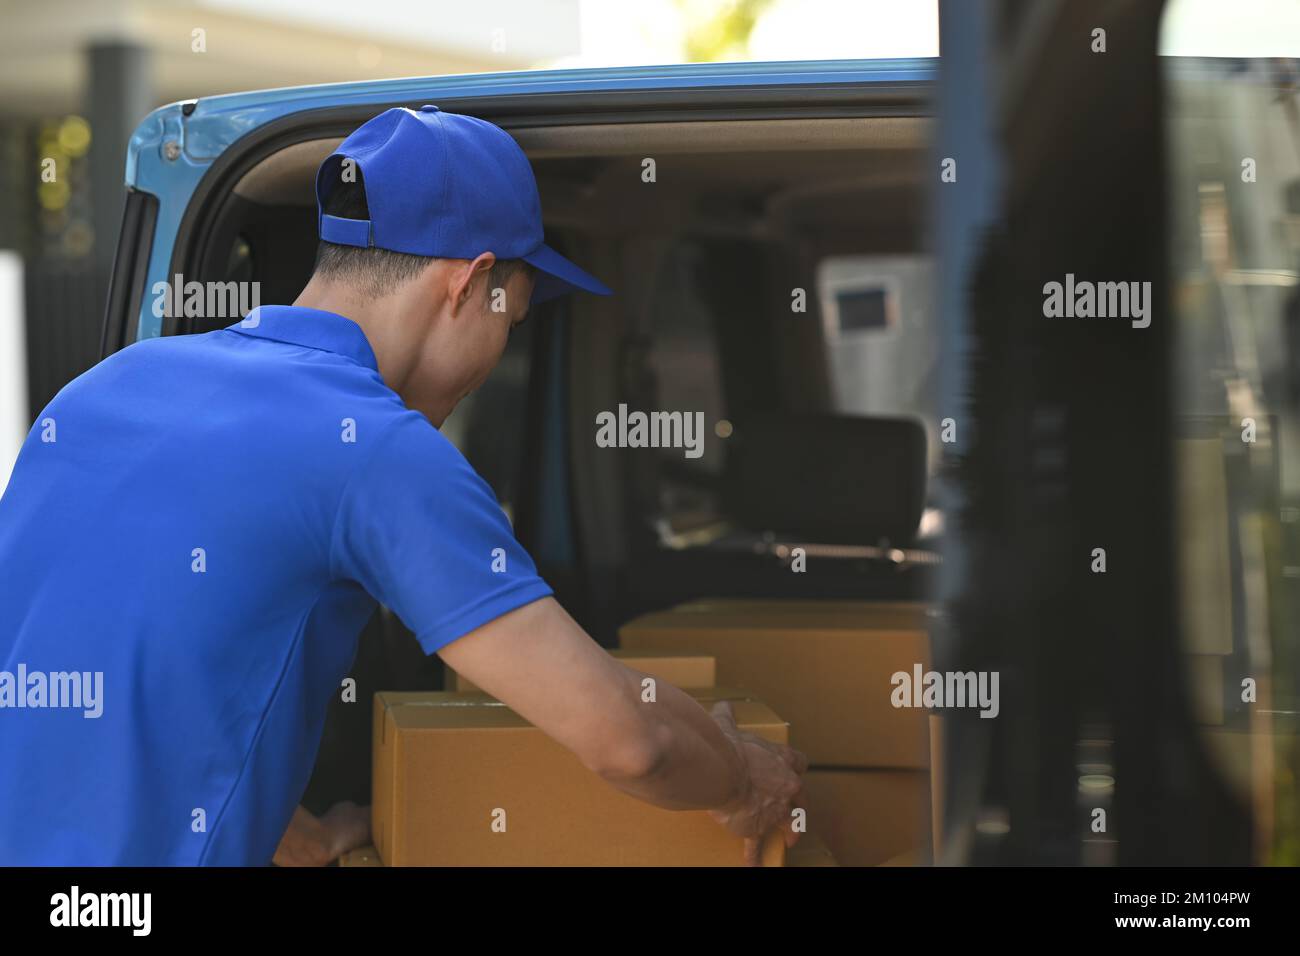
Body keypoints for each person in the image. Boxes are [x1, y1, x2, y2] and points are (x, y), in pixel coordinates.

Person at [0, 105, 806, 866]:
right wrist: (740, 775)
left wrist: (292, 826)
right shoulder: (377, 449)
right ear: (468, 284)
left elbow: (120, 658)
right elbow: (635, 744)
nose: (496, 357)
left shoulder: (104, 389)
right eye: (510, 321)